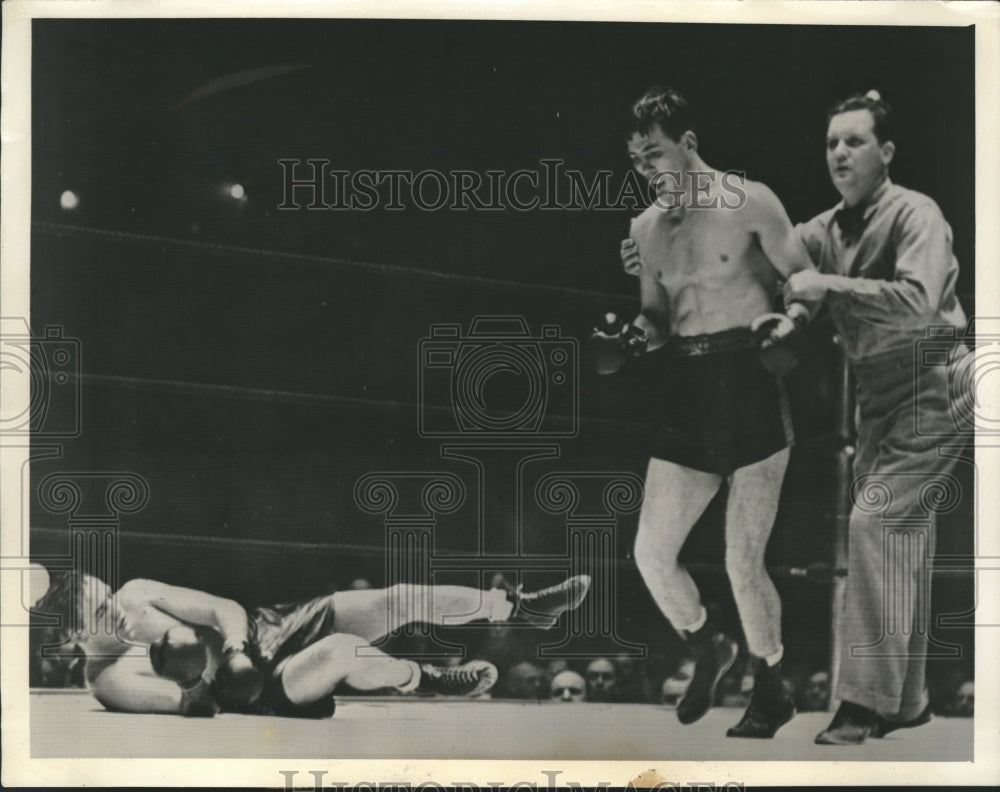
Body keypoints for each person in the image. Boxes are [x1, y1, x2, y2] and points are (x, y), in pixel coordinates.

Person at [591, 86, 818, 738]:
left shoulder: (750, 201)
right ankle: (707, 641)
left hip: (750, 379)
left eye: (654, 154)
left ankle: (771, 685)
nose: (645, 169)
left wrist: (793, 321)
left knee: (744, 559)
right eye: (635, 160)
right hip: (688, 388)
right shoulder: (644, 229)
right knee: (650, 552)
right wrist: (629, 341)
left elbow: (801, 277)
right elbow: (658, 319)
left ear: (688, 144)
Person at [787, 90, 971, 745]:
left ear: (885, 152)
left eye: (854, 141)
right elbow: (771, 260)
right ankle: (908, 702)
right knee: (904, 539)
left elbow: (921, 303)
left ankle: (862, 704)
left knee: (873, 522)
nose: (839, 152)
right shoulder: (822, 229)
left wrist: (825, 289)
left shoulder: (916, 213)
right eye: (832, 141)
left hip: (937, 381)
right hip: (879, 397)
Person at [30, 570, 590, 718]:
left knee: (397, 597)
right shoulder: (111, 681)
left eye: (103, 597)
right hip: (256, 691)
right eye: (100, 614)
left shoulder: (136, 594)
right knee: (344, 649)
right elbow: (201, 706)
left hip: (263, 630)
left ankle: (521, 607)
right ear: (73, 637)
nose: (114, 611)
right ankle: (427, 681)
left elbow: (222, 608)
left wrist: (233, 644)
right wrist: (193, 670)